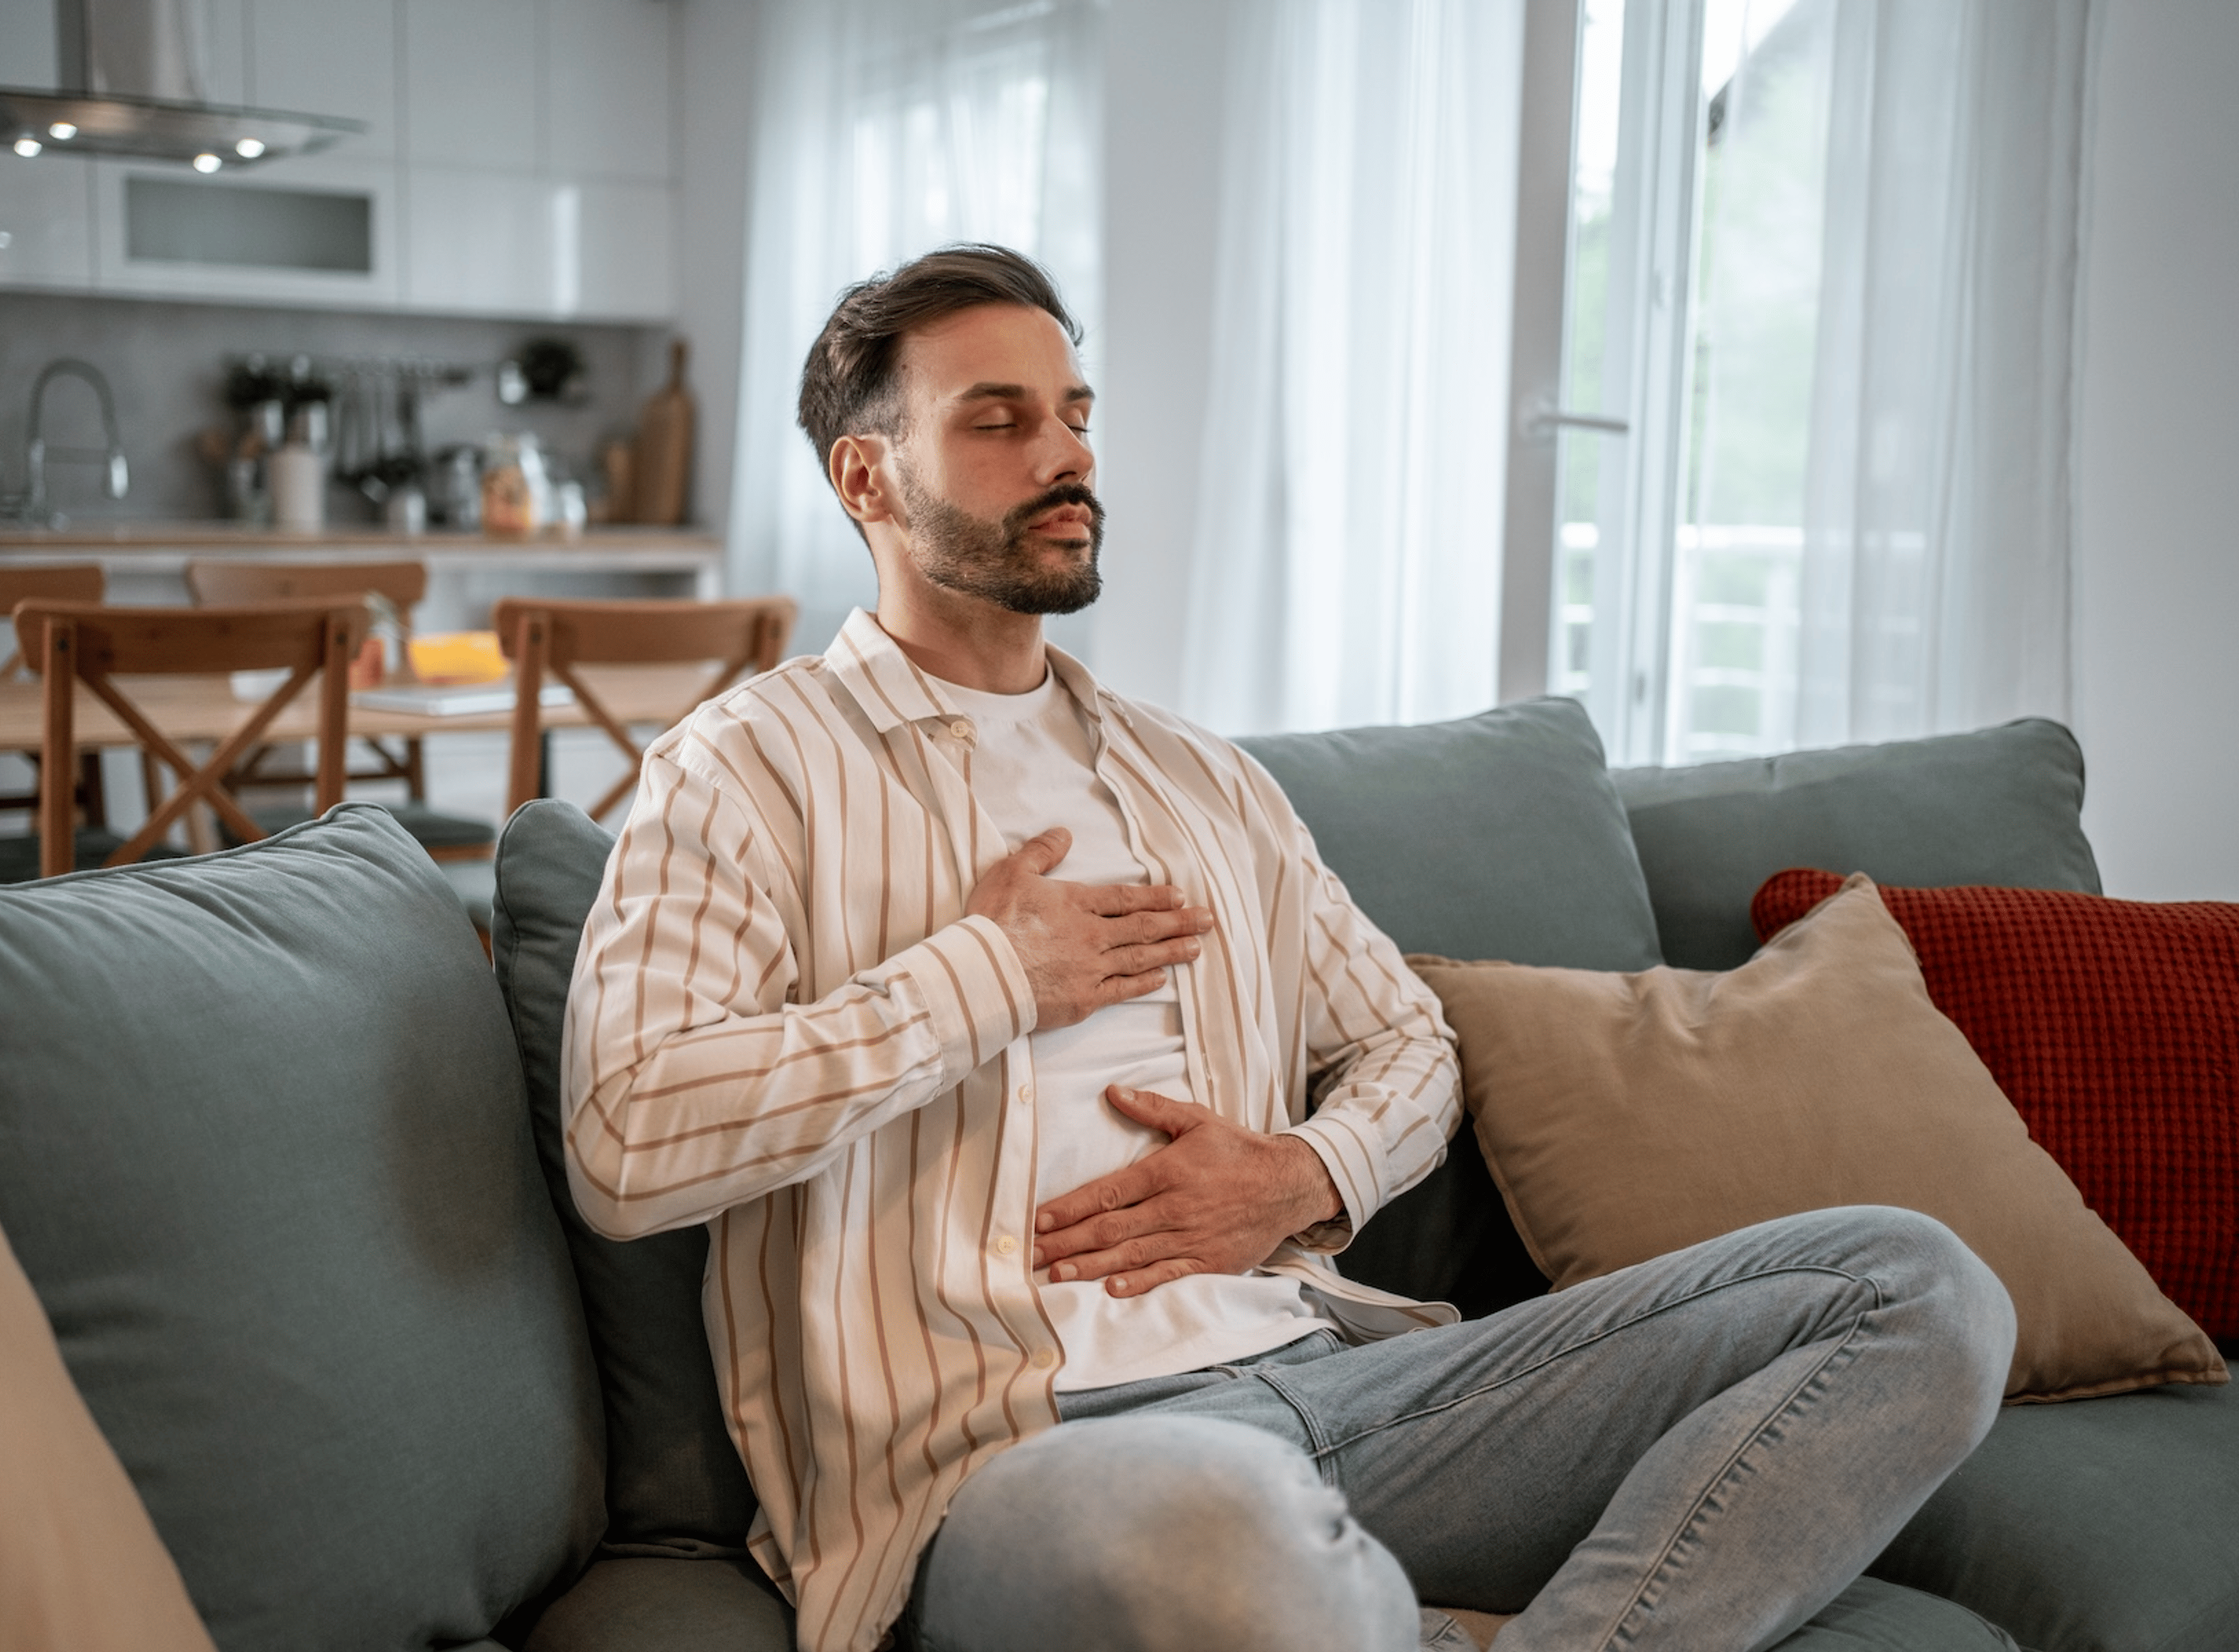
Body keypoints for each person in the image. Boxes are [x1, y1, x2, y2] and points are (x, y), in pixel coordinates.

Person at [561, 245, 2014, 1652]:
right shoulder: (744, 768)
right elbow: (628, 1141)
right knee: (1236, 1549)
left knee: (1923, 1287)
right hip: (1023, 1452)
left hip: (1351, 1384)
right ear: (865, 476)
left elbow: (1409, 1041)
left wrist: (1309, 1173)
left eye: (1074, 414)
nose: (1064, 455)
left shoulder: (1205, 781)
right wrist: (988, 977)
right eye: (995, 421)